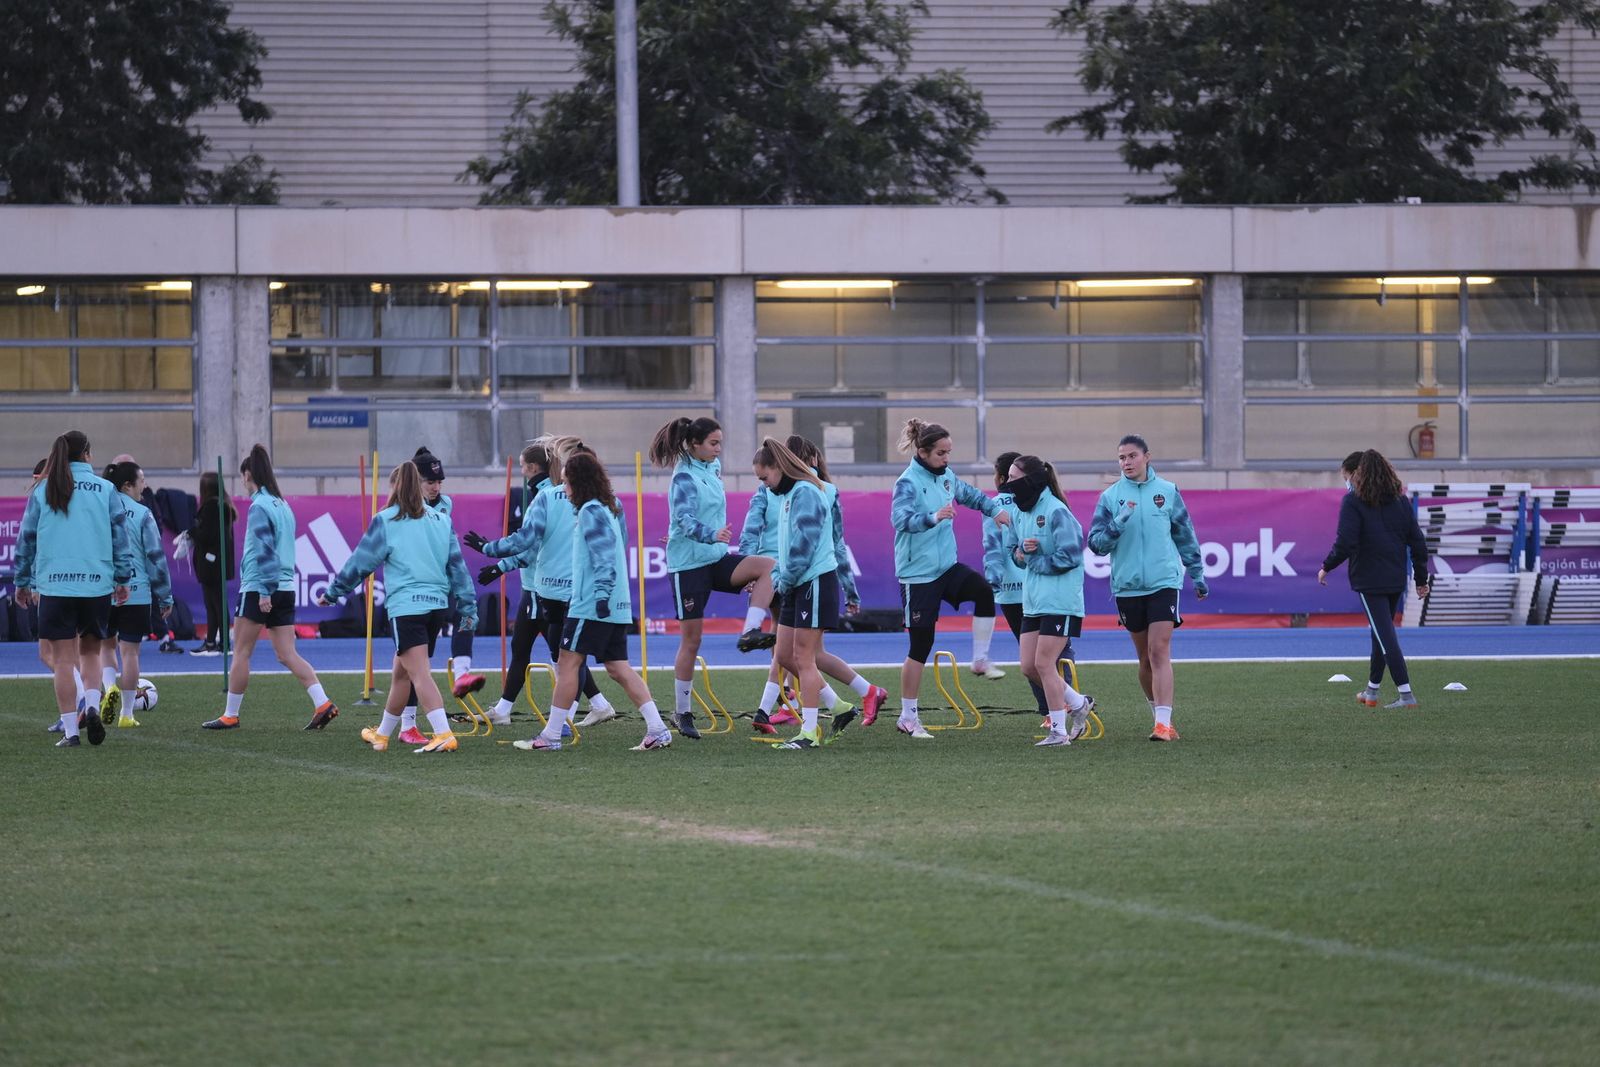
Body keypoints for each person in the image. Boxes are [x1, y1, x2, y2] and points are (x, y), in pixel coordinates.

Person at [512, 450, 673, 752]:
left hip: (592, 605)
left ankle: (550, 736)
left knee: (568, 663)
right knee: (618, 668)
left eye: (566, 482)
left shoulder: (590, 510)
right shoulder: (607, 507)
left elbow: (603, 557)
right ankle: (658, 729)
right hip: (615, 604)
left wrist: (599, 596)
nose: (564, 488)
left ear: (578, 482)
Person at [319, 460, 478, 752]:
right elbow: (458, 569)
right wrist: (468, 607)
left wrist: (333, 592)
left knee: (419, 673)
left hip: (407, 608)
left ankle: (443, 734)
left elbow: (360, 562)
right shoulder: (441, 519)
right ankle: (381, 734)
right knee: (401, 674)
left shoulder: (387, 519)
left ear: (395, 486)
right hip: (437, 608)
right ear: (419, 487)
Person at [465, 436, 615, 731]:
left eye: (524, 466)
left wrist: (497, 561)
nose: (522, 472)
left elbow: (531, 547)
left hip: (545, 588)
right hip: (541, 587)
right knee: (536, 649)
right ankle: (591, 705)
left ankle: (570, 714)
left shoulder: (553, 497)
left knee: (567, 657)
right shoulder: (565, 497)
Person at [883, 418, 1011, 739]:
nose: (947, 458)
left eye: (949, 452)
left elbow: (971, 496)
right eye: (941, 453)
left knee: (983, 591)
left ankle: (980, 659)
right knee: (920, 646)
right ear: (923, 452)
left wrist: (995, 510)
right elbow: (899, 519)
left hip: (945, 567)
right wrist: (933, 517)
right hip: (918, 575)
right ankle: (908, 717)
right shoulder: (908, 482)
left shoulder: (948, 476)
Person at [650, 416, 777, 739]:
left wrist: (712, 540)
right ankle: (682, 711)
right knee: (692, 641)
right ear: (694, 445)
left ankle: (750, 631)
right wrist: (710, 534)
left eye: (720, 442)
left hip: (715, 558)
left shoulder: (712, 469)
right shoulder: (683, 478)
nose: (719, 449)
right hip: (689, 566)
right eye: (713, 443)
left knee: (767, 566)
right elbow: (683, 518)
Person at [203, 445, 339, 732]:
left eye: (242, 476)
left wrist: (264, 590)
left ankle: (230, 714)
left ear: (248, 474)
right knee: (287, 653)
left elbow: (264, 550)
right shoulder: (282, 504)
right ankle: (322, 702)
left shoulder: (259, 506)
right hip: (286, 585)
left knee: (241, 652)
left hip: (259, 587)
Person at [14, 430, 133, 748]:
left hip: (55, 584)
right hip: (96, 583)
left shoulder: (44, 489)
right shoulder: (106, 489)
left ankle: (71, 731)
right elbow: (121, 540)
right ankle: (92, 707)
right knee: (92, 652)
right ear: (88, 455)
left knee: (63, 661)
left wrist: (22, 582)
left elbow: (26, 540)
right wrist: (123, 579)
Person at [1087, 434, 1206, 742]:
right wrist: (1117, 524)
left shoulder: (1167, 492)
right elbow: (1096, 544)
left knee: (1158, 650)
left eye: (1131, 456)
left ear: (1147, 457)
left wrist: (1197, 572)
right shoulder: (1110, 498)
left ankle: (1163, 725)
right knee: (1143, 659)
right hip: (1127, 587)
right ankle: (1158, 715)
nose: (1126, 462)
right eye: (1121, 458)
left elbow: (1184, 534)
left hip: (1164, 582)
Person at [754, 438, 867, 750]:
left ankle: (810, 731)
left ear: (779, 467)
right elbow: (785, 546)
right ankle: (839, 707)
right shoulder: (790, 493)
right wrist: (777, 577)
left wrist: (784, 580)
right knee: (785, 654)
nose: (763, 485)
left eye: (765, 478)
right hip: (797, 583)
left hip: (813, 582)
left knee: (804, 656)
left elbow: (805, 545)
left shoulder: (806, 491)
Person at [1317, 449, 1431, 709]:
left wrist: (1327, 566)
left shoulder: (1353, 502)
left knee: (1385, 635)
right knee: (1379, 634)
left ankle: (1406, 694)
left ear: (1357, 475)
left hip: (1369, 579)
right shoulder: (1400, 502)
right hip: (1394, 577)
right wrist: (1421, 578)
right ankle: (1372, 691)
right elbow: (1417, 542)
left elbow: (1345, 542)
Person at [1000, 456, 1096, 747]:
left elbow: (1071, 556)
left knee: (1044, 664)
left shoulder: (1056, 511)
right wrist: (1022, 552)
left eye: (1013, 477)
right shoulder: (1018, 511)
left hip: (1061, 600)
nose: (1007, 483)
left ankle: (1058, 732)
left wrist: (1035, 556)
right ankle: (1079, 703)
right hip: (1033, 601)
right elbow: (1015, 552)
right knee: (1028, 666)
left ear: (1030, 480)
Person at [101, 461, 174, 728]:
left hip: (105, 590)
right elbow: (156, 557)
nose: (145, 485)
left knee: (105, 645)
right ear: (127, 485)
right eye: (141, 480)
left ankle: (109, 687)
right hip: (138, 592)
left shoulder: (101, 510)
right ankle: (127, 714)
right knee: (130, 653)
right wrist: (165, 596)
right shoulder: (142, 513)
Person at [413, 446, 484, 704]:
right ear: (416, 481)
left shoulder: (446, 504)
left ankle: (462, 675)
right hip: (417, 587)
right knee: (412, 661)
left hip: (444, 580)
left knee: (466, 615)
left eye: (439, 481)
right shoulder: (405, 507)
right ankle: (404, 722)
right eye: (430, 482)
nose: (436, 487)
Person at [984, 450, 1049, 721]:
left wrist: (992, 581)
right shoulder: (1036, 501)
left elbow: (992, 548)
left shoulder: (993, 505)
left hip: (1011, 592)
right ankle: (1062, 704)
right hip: (1039, 585)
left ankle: (1050, 708)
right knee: (1051, 654)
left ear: (1000, 477)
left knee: (1032, 658)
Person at [26, 458, 87, 734]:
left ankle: (81, 699)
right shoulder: (66, 502)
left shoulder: (42, 502)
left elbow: (36, 548)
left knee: (50, 653)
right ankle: (72, 712)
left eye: (36, 476)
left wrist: (34, 584)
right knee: (70, 654)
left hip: (52, 585)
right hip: (77, 584)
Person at [187, 470, 235, 655]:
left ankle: (219, 643)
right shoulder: (223, 506)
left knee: (215, 604)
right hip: (216, 563)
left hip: (211, 564)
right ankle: (214, 642)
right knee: (215, 603)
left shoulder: (212, 507)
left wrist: (191, 532)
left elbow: (208, 535)